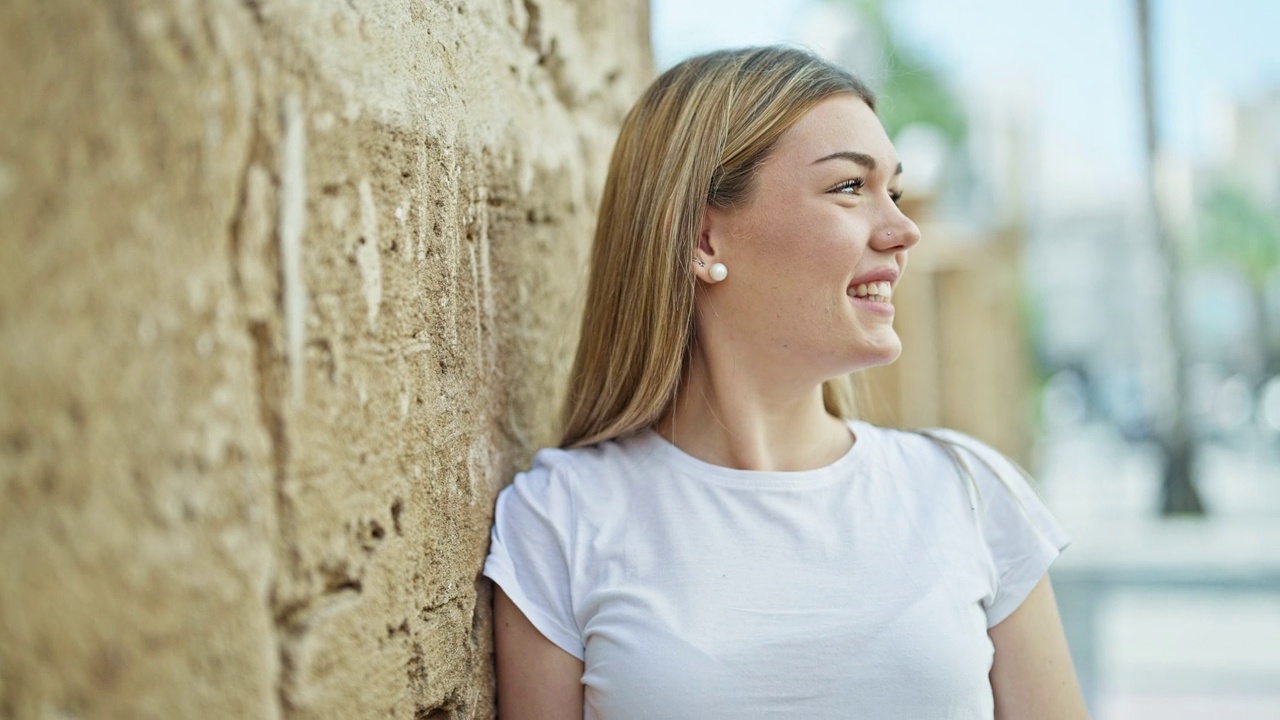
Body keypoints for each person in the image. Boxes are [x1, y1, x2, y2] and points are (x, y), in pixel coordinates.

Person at [483, 46, 1088, 719]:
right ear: (704, 240)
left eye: (893, 188)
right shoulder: (559, 522)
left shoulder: (972, 494)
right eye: (850, 187)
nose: (903, 228)